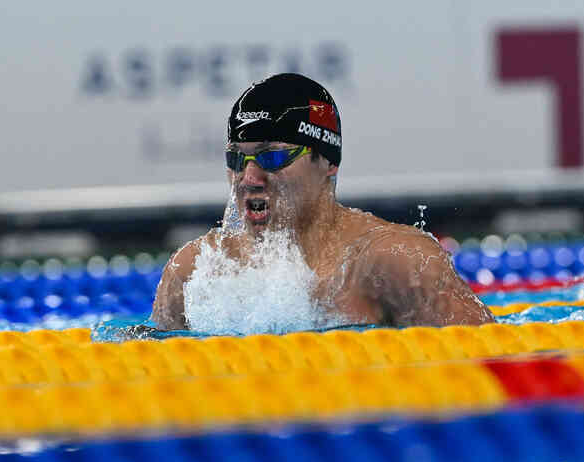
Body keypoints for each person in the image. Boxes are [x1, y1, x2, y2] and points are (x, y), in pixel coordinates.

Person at [152, 73, 495, 331]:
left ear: (328, 161)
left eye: (272, 157)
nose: (248, 178)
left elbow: (489, 361)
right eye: (236, 160)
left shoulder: (393, 261)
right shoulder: (196, 270)